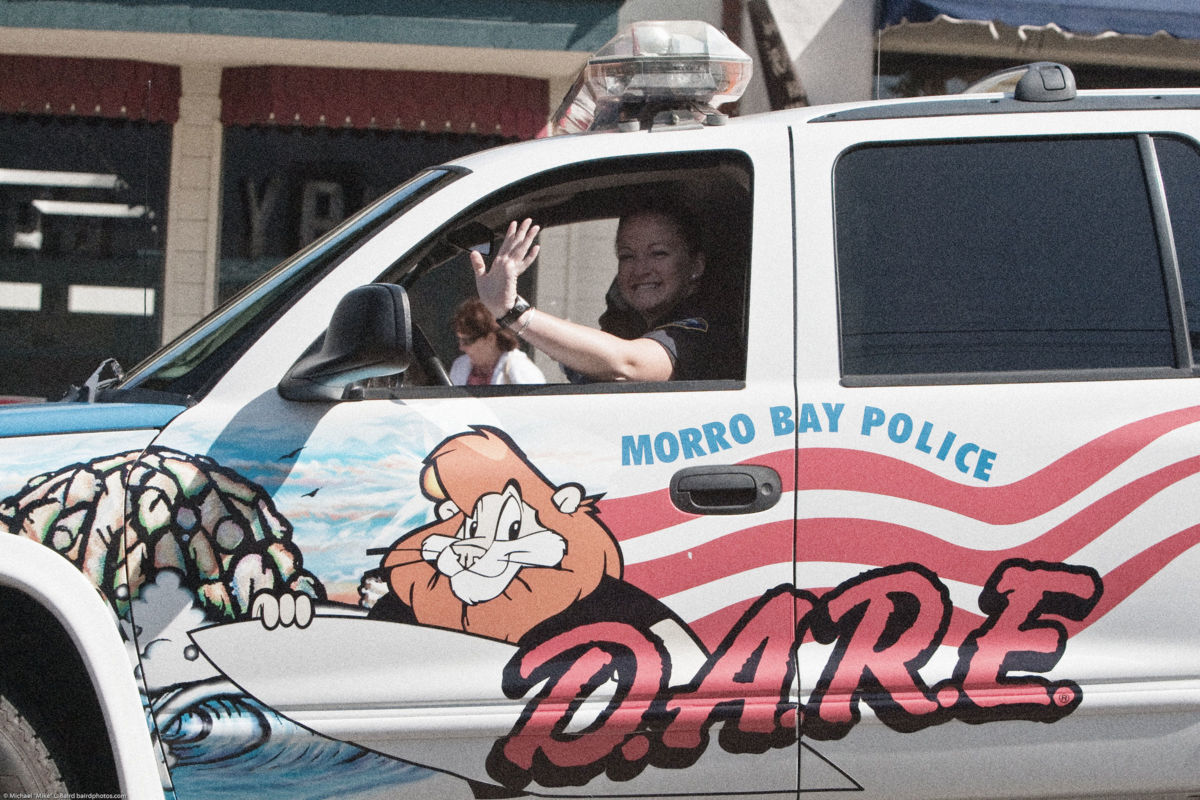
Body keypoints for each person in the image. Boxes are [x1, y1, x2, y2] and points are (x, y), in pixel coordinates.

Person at [470, 199, 743, 382]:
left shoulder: (702, 330)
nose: (641, 269)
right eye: (627, 256)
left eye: (658, 253)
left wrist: (512, 311)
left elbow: (627, 362)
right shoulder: (631, 327)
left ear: (696, 265)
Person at [448, 297, 546, 386]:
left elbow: (537, 404)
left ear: (490, 339)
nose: (461, 347)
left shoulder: (520, 369)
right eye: (460, 340)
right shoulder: (460, 366)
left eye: (467, 341)